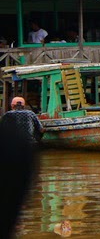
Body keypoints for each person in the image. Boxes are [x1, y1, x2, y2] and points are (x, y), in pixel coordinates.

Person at [0, 97, 43, 237]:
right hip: (29, 148)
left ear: (12, 105)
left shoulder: (7, 115)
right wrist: (37, 141)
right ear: (23, 105)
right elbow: (41, 129)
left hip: (9, 152)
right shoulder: (31, 114)